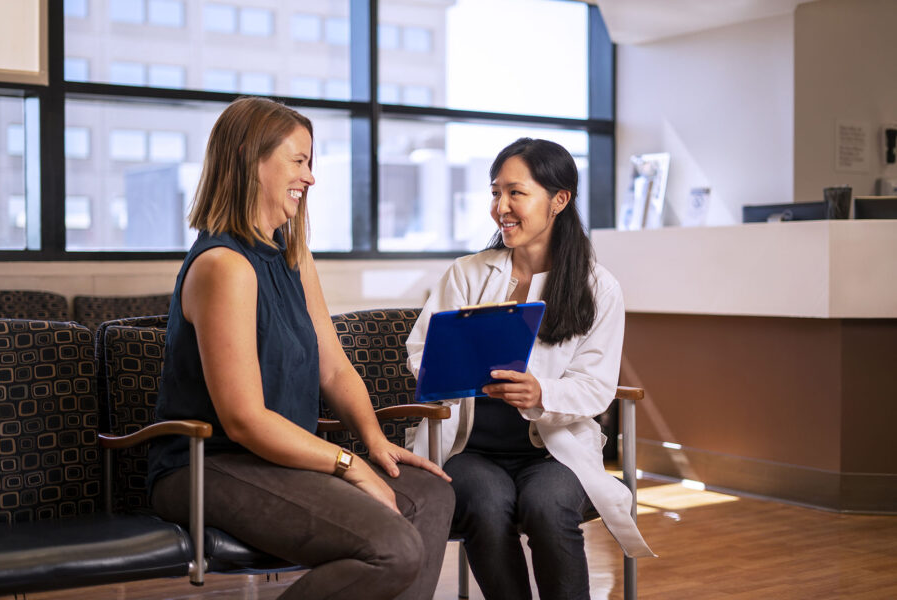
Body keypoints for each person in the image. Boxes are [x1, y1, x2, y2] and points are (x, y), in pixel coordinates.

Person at [147, 96, 454, 600]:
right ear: (252, 160)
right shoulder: (223, 266)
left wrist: (373, 442)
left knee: (431, 495)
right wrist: (349, 464)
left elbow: (333, 369)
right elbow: (245, 420)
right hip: (210, 465)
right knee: (392, 548)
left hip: (277, 460)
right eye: (299, 161)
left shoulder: (293, 254)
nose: (310, 177)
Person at [405, 138, 654, 600]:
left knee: (549, 504)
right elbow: (421, 348)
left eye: (515, 193)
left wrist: (543, 394)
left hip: (552, 451)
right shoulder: (466, 274)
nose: (501, 207)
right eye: (495, 192)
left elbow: (596, 387)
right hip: (471, 450)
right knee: (484, 502)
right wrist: (456, 367)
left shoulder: (598, 288)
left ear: (559, 200)